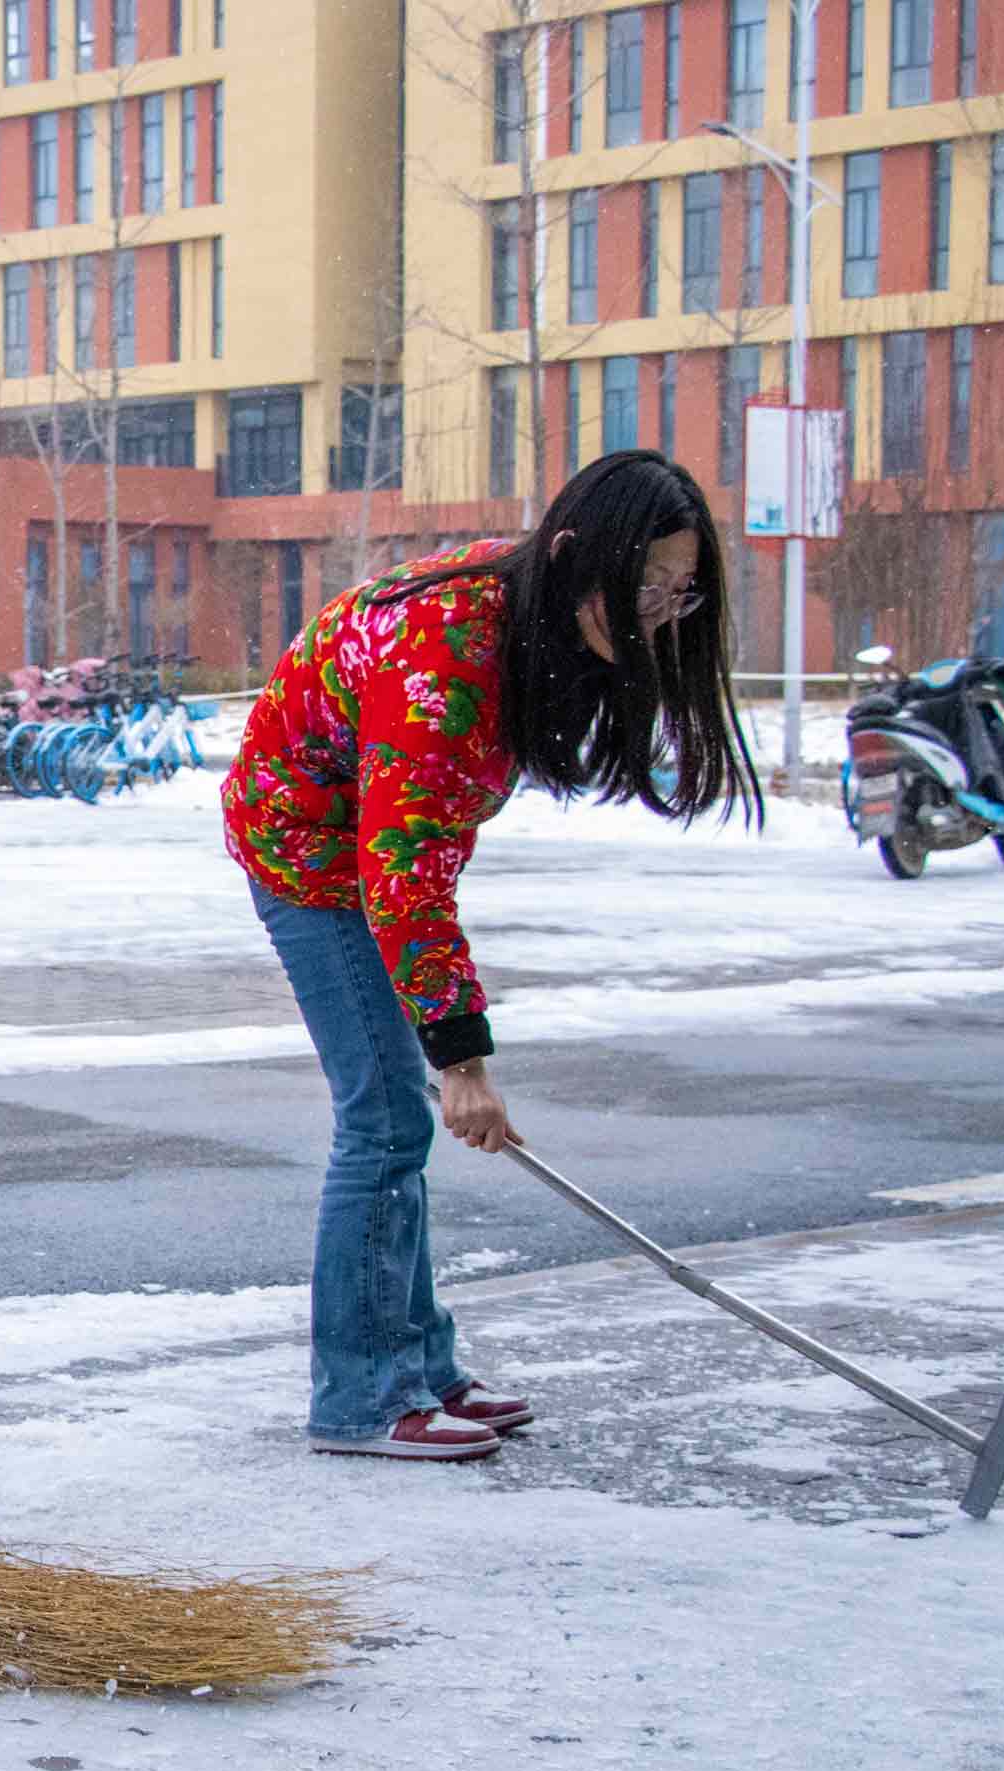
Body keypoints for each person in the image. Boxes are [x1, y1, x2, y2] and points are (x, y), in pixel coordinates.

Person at [221, 451, 761, 1462]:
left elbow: (416, 855)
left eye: (677, 590)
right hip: (305, 851)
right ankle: (361, 1395)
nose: (657, 611)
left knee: (393, 1121)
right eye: (644, 584)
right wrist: (461, 1060)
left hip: (371, 856)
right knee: (383, 1117)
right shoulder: (445, 654)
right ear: (572, 555)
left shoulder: (533, 613)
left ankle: (418, 1365)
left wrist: (450, 1050)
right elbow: (403, 869)